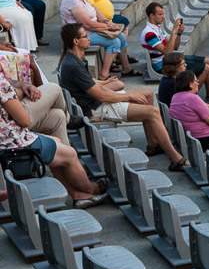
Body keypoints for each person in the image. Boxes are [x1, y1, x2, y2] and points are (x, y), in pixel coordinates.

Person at [58, 23, 189, 170]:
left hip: (95, 101)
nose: (89, 38)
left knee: (147, 94)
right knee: (152, 112)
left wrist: (108, 85)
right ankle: (176, 159)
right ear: (76, 41)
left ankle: (153, 145)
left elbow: (92, 84)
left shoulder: (74, 59)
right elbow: (102, 97)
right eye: (85, 36)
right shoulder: (73, 65)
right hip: (95, 109)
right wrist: (128, 97)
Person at [0, 73, 107, 208]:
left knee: (56, 140)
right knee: (70, 154)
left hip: (7, 141)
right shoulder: (1, 84)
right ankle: (91, 190)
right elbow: (25, 120)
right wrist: (18, 95)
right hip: (13, 144)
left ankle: (77, 194)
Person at [59, 0, 140, 80]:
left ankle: (126, 69)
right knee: (114, 42)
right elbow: (87, 24)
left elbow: (94, 10)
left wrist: (107, 21)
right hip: (81, 35)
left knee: (121, 36)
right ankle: (104, 75)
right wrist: (109, 27)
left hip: (90, 31)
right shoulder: (71, 0)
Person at [141, 2, 209, 104]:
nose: (163, 17)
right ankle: (192, 98)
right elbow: (168, 53)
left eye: (163, 14)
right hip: (164, 65)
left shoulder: (157, 29)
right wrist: (173, 32)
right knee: (206, 68)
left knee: (208, 61)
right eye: (160, 14)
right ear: (151, 16)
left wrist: (179, 34)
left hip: (170, 59)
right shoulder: (149, 33)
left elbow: (175, 47)